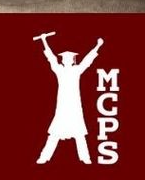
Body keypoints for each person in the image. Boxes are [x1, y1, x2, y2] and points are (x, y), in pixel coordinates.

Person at [37, 35, 104, 164]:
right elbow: (51, 58)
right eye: (65, 58)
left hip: (74, 107)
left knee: (79, 134)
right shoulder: (59, 70)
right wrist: (44, 41)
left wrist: (97, 46)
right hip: (62, 107)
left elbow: (87, 60)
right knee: (55, 134)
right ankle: (43, 158)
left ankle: (86, 159)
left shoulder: (77, 70)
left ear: (73, 60)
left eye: (70, 58)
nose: (68, 60)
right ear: (62, 60)